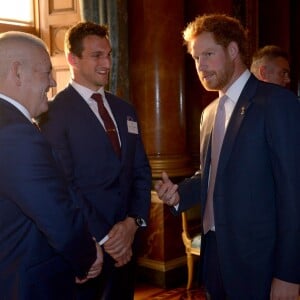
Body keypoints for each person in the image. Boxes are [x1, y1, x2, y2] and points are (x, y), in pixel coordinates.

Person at [155, 14, 300, 300]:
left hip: (260, 263)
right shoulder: (208, 114)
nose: (200, 65)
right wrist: (178, 195)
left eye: (208, 54)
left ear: (233, 50)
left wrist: (289, 274)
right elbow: (211, 175)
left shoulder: (276, 103)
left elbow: (294, 193)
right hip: (215, 258)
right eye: (196, 58)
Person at [39, 21, 152, 300]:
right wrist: (107, 238)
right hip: (88, 249)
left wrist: (131, 223)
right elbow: (64, 185)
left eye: (109, 54)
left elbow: (141, 170)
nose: (107, 63)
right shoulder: (52, 114)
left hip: (128, 244)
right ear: (72, 60)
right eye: (96, 55)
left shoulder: (125, 109)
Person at [0, 31, 103, 299]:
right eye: (46, 71)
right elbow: (56, 215)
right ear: (17, 73)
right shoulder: (15, 134)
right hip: (26, 284)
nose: (52, 81)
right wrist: (88, 256)